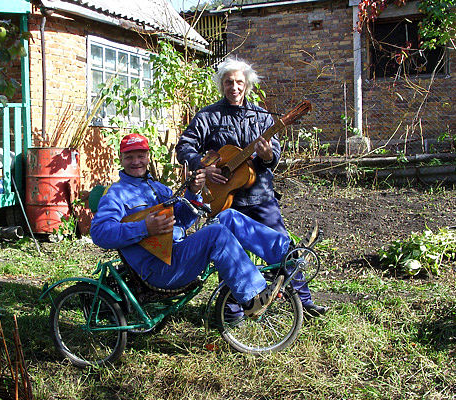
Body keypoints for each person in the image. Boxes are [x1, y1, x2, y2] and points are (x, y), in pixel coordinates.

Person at [175, 57, 328, 317]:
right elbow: (184, 146)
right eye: (228, 82)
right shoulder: (208, 116)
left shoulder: (261, 117)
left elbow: (274, 156)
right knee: (230, 256)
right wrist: (204, 166)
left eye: (239, 82)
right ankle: (233, 312)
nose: (234, 87)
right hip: (226, 200)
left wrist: (267, 155)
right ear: (221, 84)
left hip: (261, 196)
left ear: (247, 85)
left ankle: (303, 302)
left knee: (281, 246)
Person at [90, 133, 292, 318]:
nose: (136, 162)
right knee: (216, 234)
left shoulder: (157, 188)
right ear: (121, 159)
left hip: (177, 254)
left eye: (140, 156)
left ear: (148, 156)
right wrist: (144, 228)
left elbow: (184, 221)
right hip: (158, 269)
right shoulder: (115, 194)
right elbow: (99, 234)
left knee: (228, 216)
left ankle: (286, 253)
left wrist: (193, 191)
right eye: (129, 157)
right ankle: (252, 299)